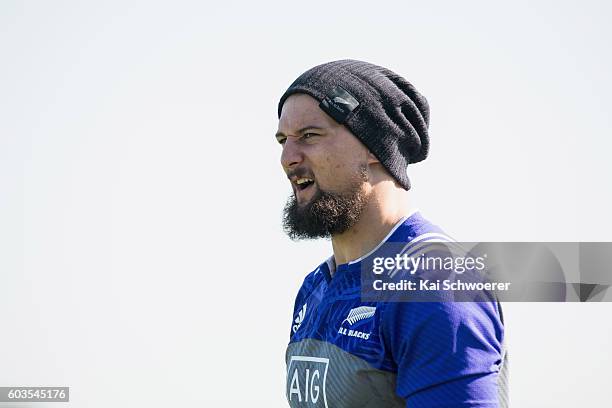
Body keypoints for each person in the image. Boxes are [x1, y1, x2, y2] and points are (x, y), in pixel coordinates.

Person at [276, 60, 508, 407]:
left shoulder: (434, 283)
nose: (288, 158)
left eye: (309, 136)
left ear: (373, 145)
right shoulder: (315, 288)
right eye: (283, 140)